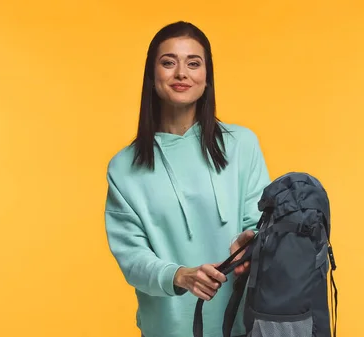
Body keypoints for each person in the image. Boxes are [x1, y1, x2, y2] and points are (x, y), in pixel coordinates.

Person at [103, 21, 271, 337]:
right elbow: (132, 258)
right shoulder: (123, 168)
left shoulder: (242, 145)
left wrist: (248, 244)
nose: (182, 73)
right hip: (167, 327)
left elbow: (260, 222)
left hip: (241, 324)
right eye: (169, 62)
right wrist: (180, 275)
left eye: (194, 63)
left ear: (207, 78)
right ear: (152, 77)